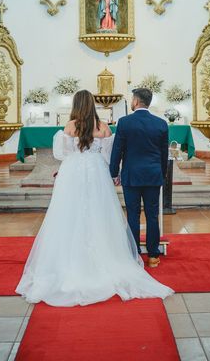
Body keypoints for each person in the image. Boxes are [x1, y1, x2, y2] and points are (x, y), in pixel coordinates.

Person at [16, 90, 172, 306]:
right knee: (101, 212)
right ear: (92, 105)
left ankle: (69, 258)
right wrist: (112, 172)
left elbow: (61, 154)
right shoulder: (104, 127)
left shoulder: (70, 127)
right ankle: (122, 255)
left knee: (69, 213)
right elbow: (109, 156)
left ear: (76, 105)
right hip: (98, 171)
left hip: (72, 174)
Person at [109, 88, 169, 268]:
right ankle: (152, 256)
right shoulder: (161, 123)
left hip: (131, 175)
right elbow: (163, 154)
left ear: (135, 101)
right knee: (152, 215)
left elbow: (117, 150)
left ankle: (134, 255)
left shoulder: (125, 122)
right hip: (153, 175)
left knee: (133, 215)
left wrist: (113, 172)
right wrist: (162, 174)